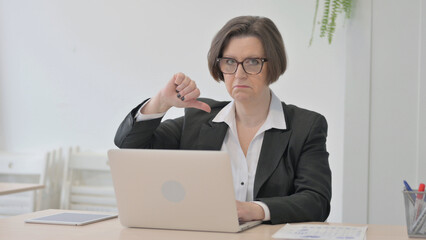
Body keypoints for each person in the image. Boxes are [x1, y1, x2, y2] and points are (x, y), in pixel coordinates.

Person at [114, 16, 331, 224]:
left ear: (273, 65)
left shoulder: (306, 126)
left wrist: (254, 210)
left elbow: (316, 201)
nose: (239, 74)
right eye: (229, 62)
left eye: (253, 62)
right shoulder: (199, 119)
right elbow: (130, 146)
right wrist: (161, 102)